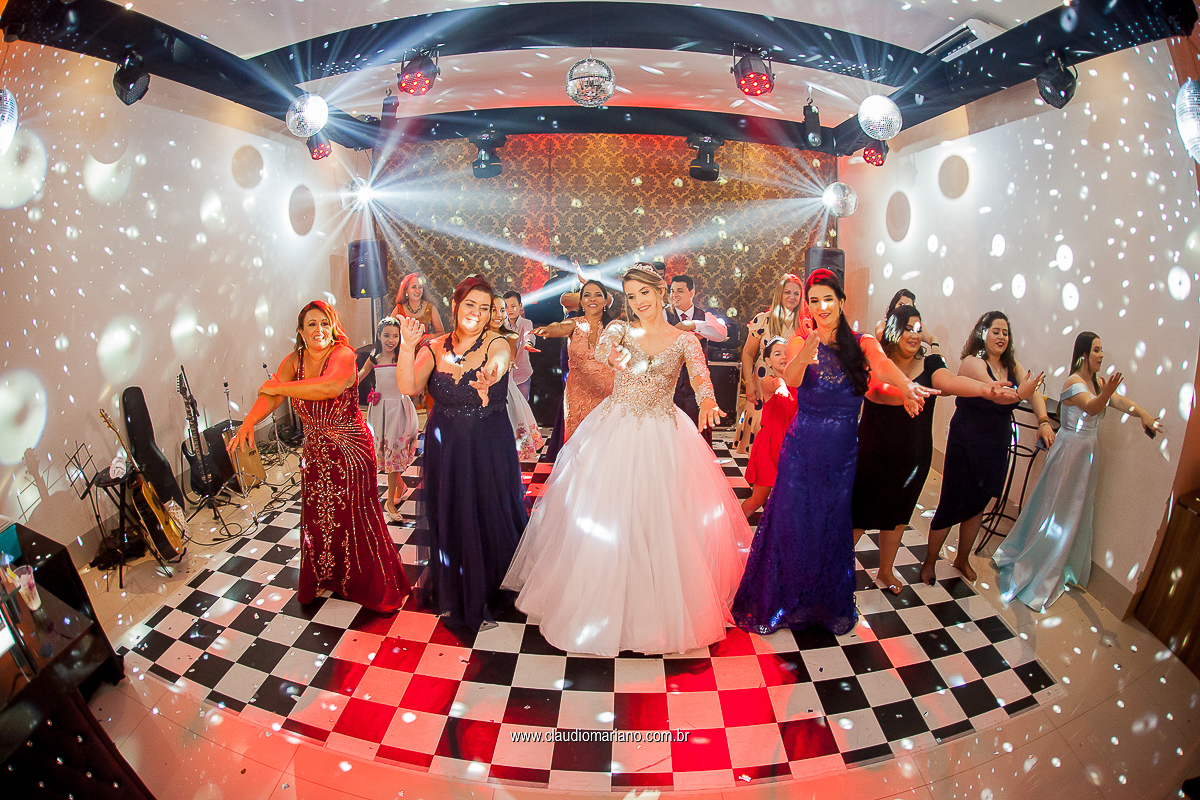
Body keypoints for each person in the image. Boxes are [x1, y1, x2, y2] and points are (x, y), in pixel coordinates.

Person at [503, 265, 752, 657]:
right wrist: (613, 357)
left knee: (662, 517)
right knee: (612, 515)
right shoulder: (619, 329)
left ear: (660, 292)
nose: (638, 302)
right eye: (632, 296)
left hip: (664, 432)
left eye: (644, 293)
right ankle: (602, 605)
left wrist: (707, 401)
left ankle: (656, 607)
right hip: (616, 428)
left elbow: (701, 378)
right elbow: (604, 349)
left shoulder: (684, 339)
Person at [732, 269, 929, 637]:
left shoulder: (862, 343)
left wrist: (905, 385)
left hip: (841, 455)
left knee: (828, 525)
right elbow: (791, 381)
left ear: (841, 302)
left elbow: (882, 365)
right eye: (814, 300)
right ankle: (783, 599)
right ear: (808, 306)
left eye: (828, 299)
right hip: (801, 450)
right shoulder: (799, 342)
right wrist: (806, 352)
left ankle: (818, 601)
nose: (821, 306)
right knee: (794, 523)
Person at [229, 300, 408, 612]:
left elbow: (330, 386)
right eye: (312, 324)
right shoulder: (293, 361)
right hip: (314, 453)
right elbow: (269, 396)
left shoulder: (343, 354)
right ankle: (329, 575)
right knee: (320, 518)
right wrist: (249, 421)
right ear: (301, 331)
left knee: (354, 517)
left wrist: (280, 387)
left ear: (333, 327)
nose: (319, 330)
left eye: (325, 323)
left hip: (350, 450)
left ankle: (366, 583)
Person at [851, 307, 1018, 593]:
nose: (914, 335)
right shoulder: (878, 359)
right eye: (907, 328)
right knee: (858, 516)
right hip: (872, 455)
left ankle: (886, 571)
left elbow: (951, 382)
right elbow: (875, 391)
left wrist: (985, 390)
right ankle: (833, 571)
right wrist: (905, 391)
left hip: (912, 458)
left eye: (918, 329)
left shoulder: (930, 364)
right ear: (893, 331)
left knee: (898, 518)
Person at [992, 332, 1162, 610]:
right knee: (1055, 508)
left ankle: (1062, 560)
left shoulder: (1096, 383)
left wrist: (1142, 413)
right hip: (1070, 451)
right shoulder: (1074, 382)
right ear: (1083, 354)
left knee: (1075, 509)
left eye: (1102, 350)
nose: (1101, 355)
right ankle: (1037, 561)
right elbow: (1092, 407)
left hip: (1087, 453)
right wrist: (1106, 394)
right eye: (1097, 350)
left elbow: (1118, 402)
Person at [396, 277, 527, 631]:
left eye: (484, 308)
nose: (477, 313)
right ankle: (457, 583)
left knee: (488, 510)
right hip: (447, 447)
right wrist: (407, 347)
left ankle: (492, 584)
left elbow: (500, 360)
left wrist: (490, 375)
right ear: (455, 306)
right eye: (470, 304)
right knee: (453, 511)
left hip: (489, 445)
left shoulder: (496, 341)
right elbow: (408, 385)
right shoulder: (433, 347)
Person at [922, 311, 1052, 585]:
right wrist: (1021, 393)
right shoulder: (973, 362)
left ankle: (962, 559)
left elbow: (1035, 393)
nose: (1001, 336)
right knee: (952, 503)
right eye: (996, 331)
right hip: (967, 440)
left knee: (978, 503)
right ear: (983, 334)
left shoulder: (1012, 365)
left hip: (995, 442)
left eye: (1005, 332)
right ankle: (930, 562)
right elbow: (995, 393)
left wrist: (1043, 421)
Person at [734, 273, 811, 454]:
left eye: (796, 293)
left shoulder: (805, 324)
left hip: (791, 385)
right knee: (761, 433)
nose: (792, 297)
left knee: (786, 435)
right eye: (787, 292)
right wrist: (749, 384)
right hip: (763, 383)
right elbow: (748, 353)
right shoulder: (763, 319)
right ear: (779, 294)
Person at [532, 279, 616, 442]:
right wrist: (548, 330)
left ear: (605, 301)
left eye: (598, 295)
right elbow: (559, 327)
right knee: (579, 441)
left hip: (607, 395)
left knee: (605, 442)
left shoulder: (614, 327)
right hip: (579, 394)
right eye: (587, 295)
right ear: (581, 302)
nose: (592, 299)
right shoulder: (574, 324)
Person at [358, 317, 420, 521]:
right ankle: (400, 486)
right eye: (386, 335)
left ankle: (389, 502)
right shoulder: (374, 357)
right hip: (379, 410)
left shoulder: (402, 356)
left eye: (395, 335)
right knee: (384, 453)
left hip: (398, 409)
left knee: (394, 453)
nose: (391, 340)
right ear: (378, 336)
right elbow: (359, 376)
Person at [667, 275, 728, 445]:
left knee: (697, 434)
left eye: (680, 290)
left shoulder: (704, 316)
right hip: (671, 386)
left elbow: (722, 333)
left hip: (696, 386)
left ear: (691, 292)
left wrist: (694, 325)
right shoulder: (664, 315)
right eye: (672, 291)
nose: (674, 295)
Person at [741, 337, 797, 518]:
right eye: (777, 353)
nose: (783, 357)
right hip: (770, 445)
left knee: (790, 499)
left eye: (787, 353)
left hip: (793, 444)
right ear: (767, 360)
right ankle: (733, 527)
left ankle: (778, 532)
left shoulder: (800, 383)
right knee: (758, 498)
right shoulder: (767, 381)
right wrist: (781, 385)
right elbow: (775, 383)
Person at [490, 295, 545, 461]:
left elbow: (525, 338)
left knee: (514, 415)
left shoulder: (511, 334)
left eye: (502, 310)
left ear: (520, 306)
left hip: (507, 384)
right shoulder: (480, 335)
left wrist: (514, 356)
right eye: (494, 310)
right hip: (486, 388)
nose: (499, 314)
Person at [502, 290, 536, 400]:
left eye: (513, 306)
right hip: (505, 374)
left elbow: (528, 334)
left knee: (523, 403)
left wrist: (528, 343)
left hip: (522, 374)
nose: (509, 310)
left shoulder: (526, 323)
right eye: (506, 307)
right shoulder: (502, 325)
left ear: (520, 306)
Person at [392, 272, 445, 338]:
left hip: (425, 345)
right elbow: (388, 331)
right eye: (413, 287)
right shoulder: (399, 309)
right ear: (406, 290)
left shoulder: (430, 307)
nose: (417, 291)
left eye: (420, 287)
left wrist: (430, 336)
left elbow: (441, 333)